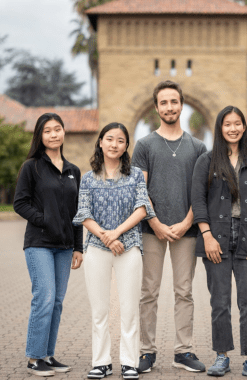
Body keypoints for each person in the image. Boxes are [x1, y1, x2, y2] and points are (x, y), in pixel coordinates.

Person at [191, 106, 247, 379]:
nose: (232, 128)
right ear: (220, 128)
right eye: (227, 124)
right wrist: (206, 236)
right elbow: (198, 200)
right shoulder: (206, 161)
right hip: (215, 238)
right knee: (220, 302)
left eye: (237, 123)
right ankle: (222, 356)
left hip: (246, 239)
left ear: (243, 127)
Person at [132, 80, 207, 373]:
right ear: (156, 107)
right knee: (148, 291)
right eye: (163, 103)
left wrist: (188, 221)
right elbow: (140, 189)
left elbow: (201, 191)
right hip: (152, 230)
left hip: (186, 230)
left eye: (174, 102)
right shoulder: (145, 145)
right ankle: (146, 352)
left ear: (181, 104)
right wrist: (156, 223)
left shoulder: (198, 146)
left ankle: (183, 351)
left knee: (184, 292)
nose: (169, 107)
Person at [73, 122, 155, 380]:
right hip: (97, 248)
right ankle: (101, 362)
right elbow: (83, 213)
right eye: (109, 139)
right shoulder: (87, 178)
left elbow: (142, 209)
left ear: (126, 146)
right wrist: (106, 237)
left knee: (129, 308)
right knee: (99, 310)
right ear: (100, 142)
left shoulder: (135, 175)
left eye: (120, 140)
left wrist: (116, 233)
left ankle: (129, 363)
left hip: (129, 247)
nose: (114, 144)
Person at [13, 113, 84, 377]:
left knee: (57, 302)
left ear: (64, 133)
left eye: (58, 129)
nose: (53, 135)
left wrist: (79, 247)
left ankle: (48, 355)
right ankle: (34, 358)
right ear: (40, 136)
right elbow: (20, 203)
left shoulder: (73, 170)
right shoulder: (31, 167)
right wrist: (44, 220)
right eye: (47, 131)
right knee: (44, 298)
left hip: (65, 248)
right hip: (39, 243)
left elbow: (78, 212)